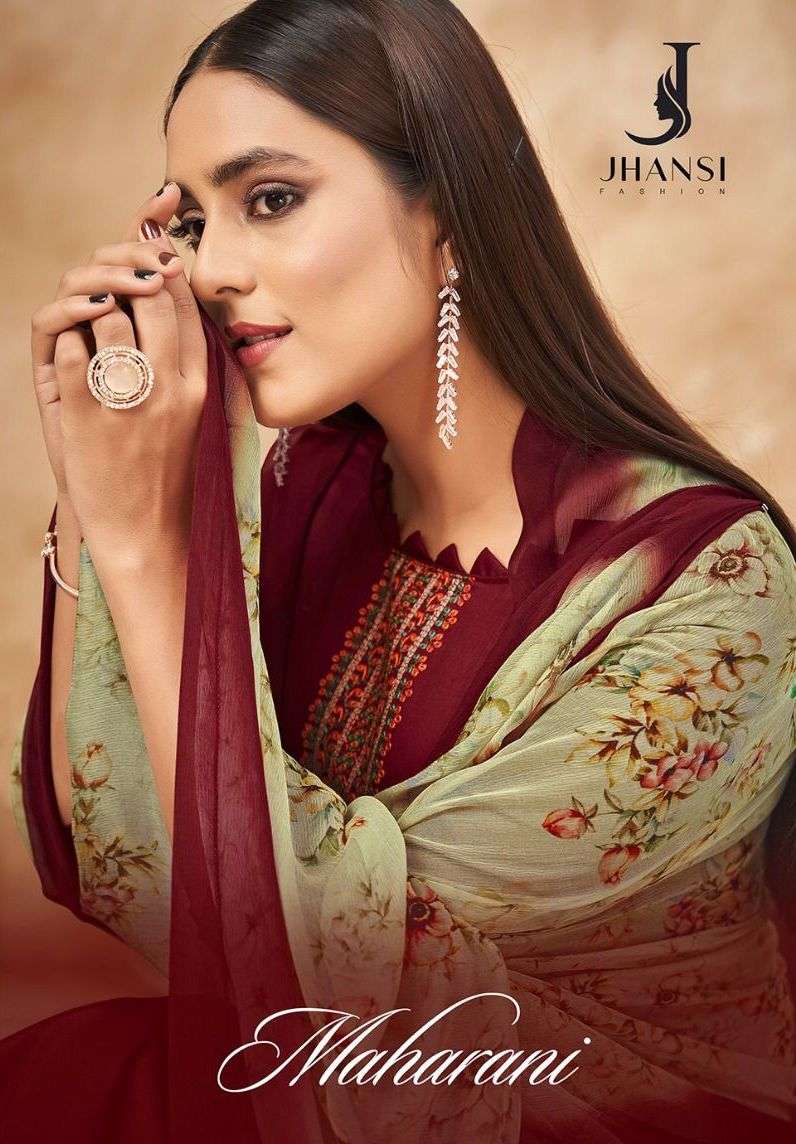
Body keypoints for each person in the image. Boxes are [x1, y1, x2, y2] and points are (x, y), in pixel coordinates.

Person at [4, 2, 796, 1142]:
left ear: (449, 215)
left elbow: (346, 978)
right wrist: (101, 491)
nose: (211, 271)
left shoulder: (709, 582)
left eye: (270, 199)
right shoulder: (311, 495)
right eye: (193, 223)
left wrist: (146, 550)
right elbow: (131, 881)